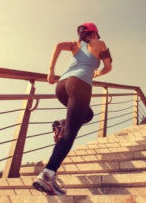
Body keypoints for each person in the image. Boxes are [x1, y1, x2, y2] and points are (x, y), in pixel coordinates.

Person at [33, 22, 112, 195]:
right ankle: (47, 175)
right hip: (80, 85)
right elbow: (108, 67)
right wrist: (97, 73)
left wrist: (51, 70)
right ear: (95, 33)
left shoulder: (75, 45)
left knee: (88, 114)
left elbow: (58, 46)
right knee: (70, 134)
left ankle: (62, 124)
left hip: (62, 86)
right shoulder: (101, 44)